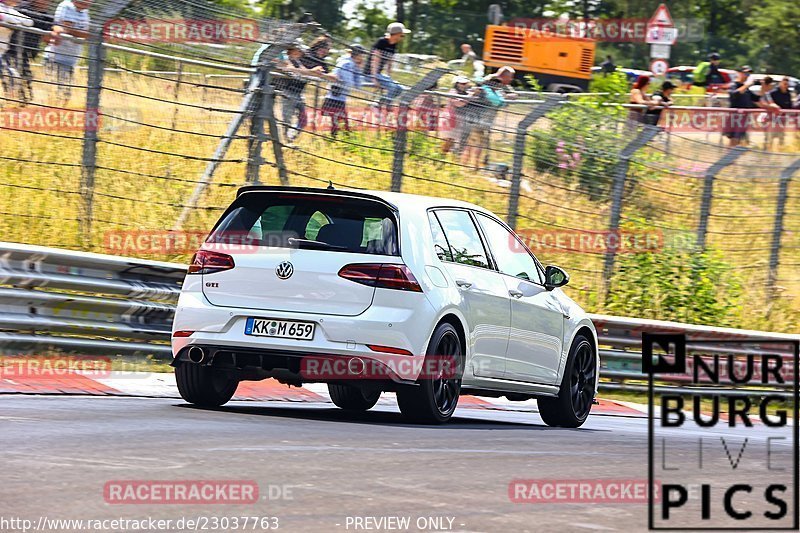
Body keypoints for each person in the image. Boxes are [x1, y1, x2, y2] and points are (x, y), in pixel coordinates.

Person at [459, 66, 517, 168]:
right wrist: (505, 97)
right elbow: (478, 91)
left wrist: (508, 96)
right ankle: (468, 165)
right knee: (473, 142)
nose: (511, 79)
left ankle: (470, 165)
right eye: (510, 77)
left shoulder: (498, 85)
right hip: (476, 116)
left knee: (476, 143)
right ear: (504, 76)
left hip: (484, 119)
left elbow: (513, 95)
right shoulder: (490, 82)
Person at [5, 0, 60, 105]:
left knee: (25, 78)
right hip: (11, 49)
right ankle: (14, 102)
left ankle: (23, 102)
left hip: (25, 52)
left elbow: (55, 25)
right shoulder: (23, 8)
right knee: (14, 76)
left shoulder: (45, 15)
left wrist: (56, 32)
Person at [320, 44, 366, 137]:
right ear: (357, 55)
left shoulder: (352, 65)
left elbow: (358, 84)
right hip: (335, 98)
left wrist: (359, 68)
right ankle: (334, 141)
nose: (363, 57)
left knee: (340, 124)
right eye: (362, 55)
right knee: (340, 124)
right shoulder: (347, 64)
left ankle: (335, 140)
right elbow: (348, 82)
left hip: (340, 98)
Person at [51, 0, 90, 105]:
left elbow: (85, 33)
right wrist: (84, 34)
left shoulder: (85, 12)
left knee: (65, 95)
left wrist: (83, 34)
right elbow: (67, 28)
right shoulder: (67, 6)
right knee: (59, 95)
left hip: (72, 58)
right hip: (58, 58)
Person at [365, 21, 410, 109]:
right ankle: (379, 104)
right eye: (402, 35)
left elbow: (390, 63)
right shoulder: (381, 42)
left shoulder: (393, 45)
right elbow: (375, 61)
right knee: (392, 87)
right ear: (396, 34)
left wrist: (389, 77)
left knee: (400, 88)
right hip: (369, 73)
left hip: (379, 74)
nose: (402, 37)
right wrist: (374, 78)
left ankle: (383, 102)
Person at [0, 0, 32, 104]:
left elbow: (29, 21)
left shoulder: (10, 9)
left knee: (12, 77)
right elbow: (5, 18)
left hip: (2, 52)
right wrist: (15, 21)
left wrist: (14, 21)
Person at [727, 65, 757, 147]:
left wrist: (764, 89)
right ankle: (727, 159)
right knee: (734, 139)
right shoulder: (734, 84)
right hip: (735, 117)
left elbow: (756, 99)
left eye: (749, 74)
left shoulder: (746, 88)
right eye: (746, 74)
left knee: (740, 140)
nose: (747, 76)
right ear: (740, 73)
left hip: (744, 118)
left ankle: (732, 158)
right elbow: (734, 94)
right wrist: (747, 85)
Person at [441, 76, 471, 155]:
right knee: (449, 139)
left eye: (465, 83)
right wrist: (469, 97)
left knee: (453, 140)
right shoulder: (453, 92)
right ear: (457, 84)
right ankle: (442, 155)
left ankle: (448, 156)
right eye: (462, 84)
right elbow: (459, 103)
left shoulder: (465, 93)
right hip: (450, 118)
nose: (465, 85)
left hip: (457, 120)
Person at [765, 76, 793, 149]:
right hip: (772, 119)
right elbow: (768, 100)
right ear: (780, 83)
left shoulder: (788, 94)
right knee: (770, 137)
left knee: (781, 137)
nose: (786, 86)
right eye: (784, 84)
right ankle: (767, 152)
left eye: (787, 84)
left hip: (783, 119)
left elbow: (790, 106)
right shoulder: (773, 92)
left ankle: (779, 152)